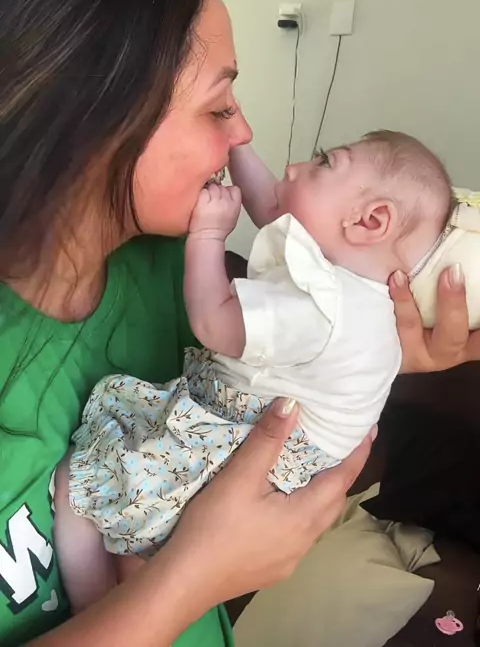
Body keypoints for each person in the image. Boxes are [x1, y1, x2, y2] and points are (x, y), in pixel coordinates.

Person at [0, 0, 475, 647]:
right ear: (93, 124)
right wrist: (187, 582)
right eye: (218, 106)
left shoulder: (169, 261)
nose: (245, 131)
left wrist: (382, 359)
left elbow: (275, 369)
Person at [53, 129, 455, 608]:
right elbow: (270, 206)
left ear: (370, 220)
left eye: (324, 163)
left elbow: (213, 322)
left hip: (230, 456)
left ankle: (90, 607)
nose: (294, 168)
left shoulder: (325, 307)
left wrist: (208, 235)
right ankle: (117, 603)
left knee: (79, 484)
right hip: (265, 467)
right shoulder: (367, 299)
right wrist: (236, 141)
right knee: (141, 555)